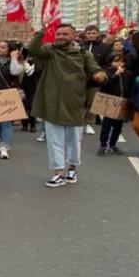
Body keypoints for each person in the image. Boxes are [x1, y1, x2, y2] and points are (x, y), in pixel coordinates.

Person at [29, 24, 107, 187]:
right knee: (54, 140)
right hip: (52, 102)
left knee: (74, 140)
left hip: (74, 102)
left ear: (74, 36)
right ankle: (58, 172)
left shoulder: (83, 54)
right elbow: (34, 50)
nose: (60, 37)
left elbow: (94, 69)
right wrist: (42, 32)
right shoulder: (50, 51)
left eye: (65, 34)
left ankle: (72, 168)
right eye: (58, 34)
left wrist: (99, 75)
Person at [0, 40, 24, 159]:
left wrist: (13, 58)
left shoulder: (15, 61)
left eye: (3, 47)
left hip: (9, 95)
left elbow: (15, 71)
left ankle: (4, 145)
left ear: (9, 50)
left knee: (6, 122)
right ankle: (4, 142)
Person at [97, 53, 133, 156]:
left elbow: (130, 87)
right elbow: (105, 85)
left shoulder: (128, 74)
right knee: (106, 125)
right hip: (110, 100)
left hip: (122, 101)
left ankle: (113, 144)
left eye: (121, 61)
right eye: (116, 61)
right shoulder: (107, 73)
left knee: (118, 126)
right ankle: (103, 145)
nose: (119, 63)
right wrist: (115, 75)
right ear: (111, 62)